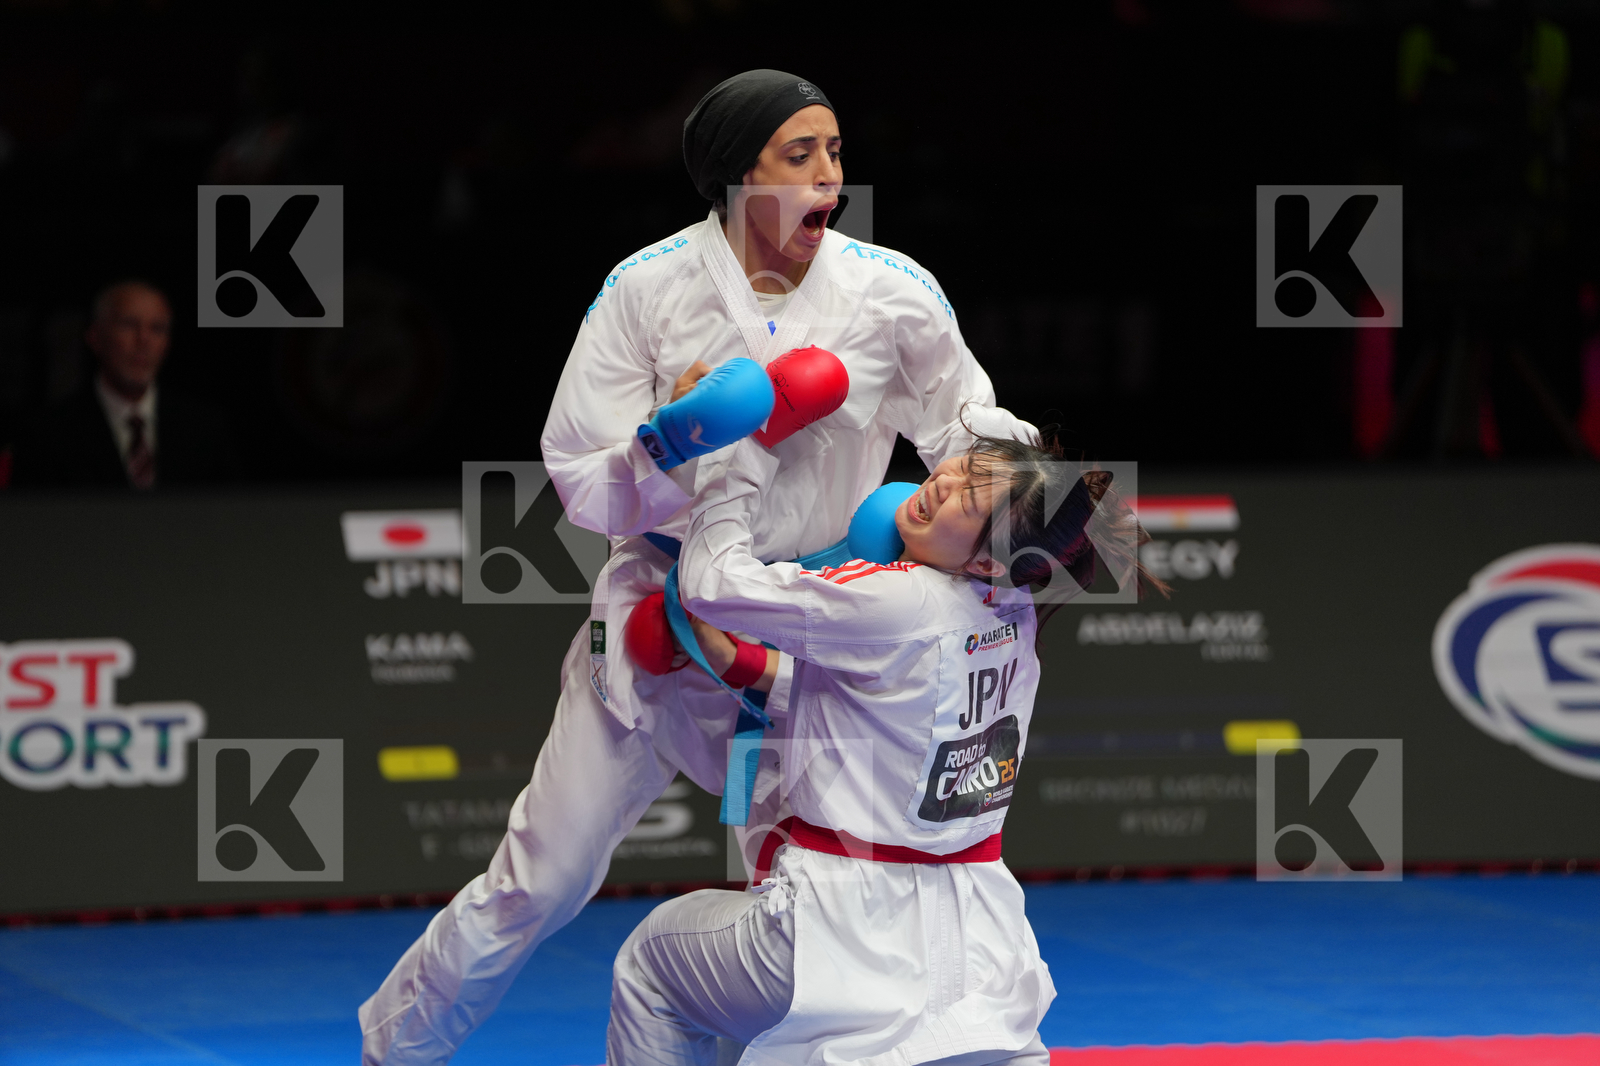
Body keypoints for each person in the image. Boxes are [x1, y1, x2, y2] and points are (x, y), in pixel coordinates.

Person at [360, 70, 1033, 1064]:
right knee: (539, 882)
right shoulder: (647, 288)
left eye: (835, 153)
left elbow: (971, 437)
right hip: (660, 623)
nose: (828, 178)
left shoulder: (891, 291)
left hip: (812, 633)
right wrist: (668, 444)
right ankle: (395, 1046)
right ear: (732, 173)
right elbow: (581, 481)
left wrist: (1038, 494)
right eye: (798, 155)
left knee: (794, 896)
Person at [606, 431, 1128, 1065]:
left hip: (840, 933)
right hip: (978, 945)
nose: (943, 480)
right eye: (964, 467)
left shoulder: (895, 596)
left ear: (988, 559)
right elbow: (886, 702)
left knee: (652, 964)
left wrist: (729, 461)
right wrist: (744, 663)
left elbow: (713, 586)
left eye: (971, 495)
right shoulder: (1014, 611)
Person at [10, 280, 238, 488]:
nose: (143, 340)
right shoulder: (48, 434)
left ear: (167, 343)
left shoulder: (204, 430)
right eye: (129, 325)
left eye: (157, 328)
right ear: (95, 337)